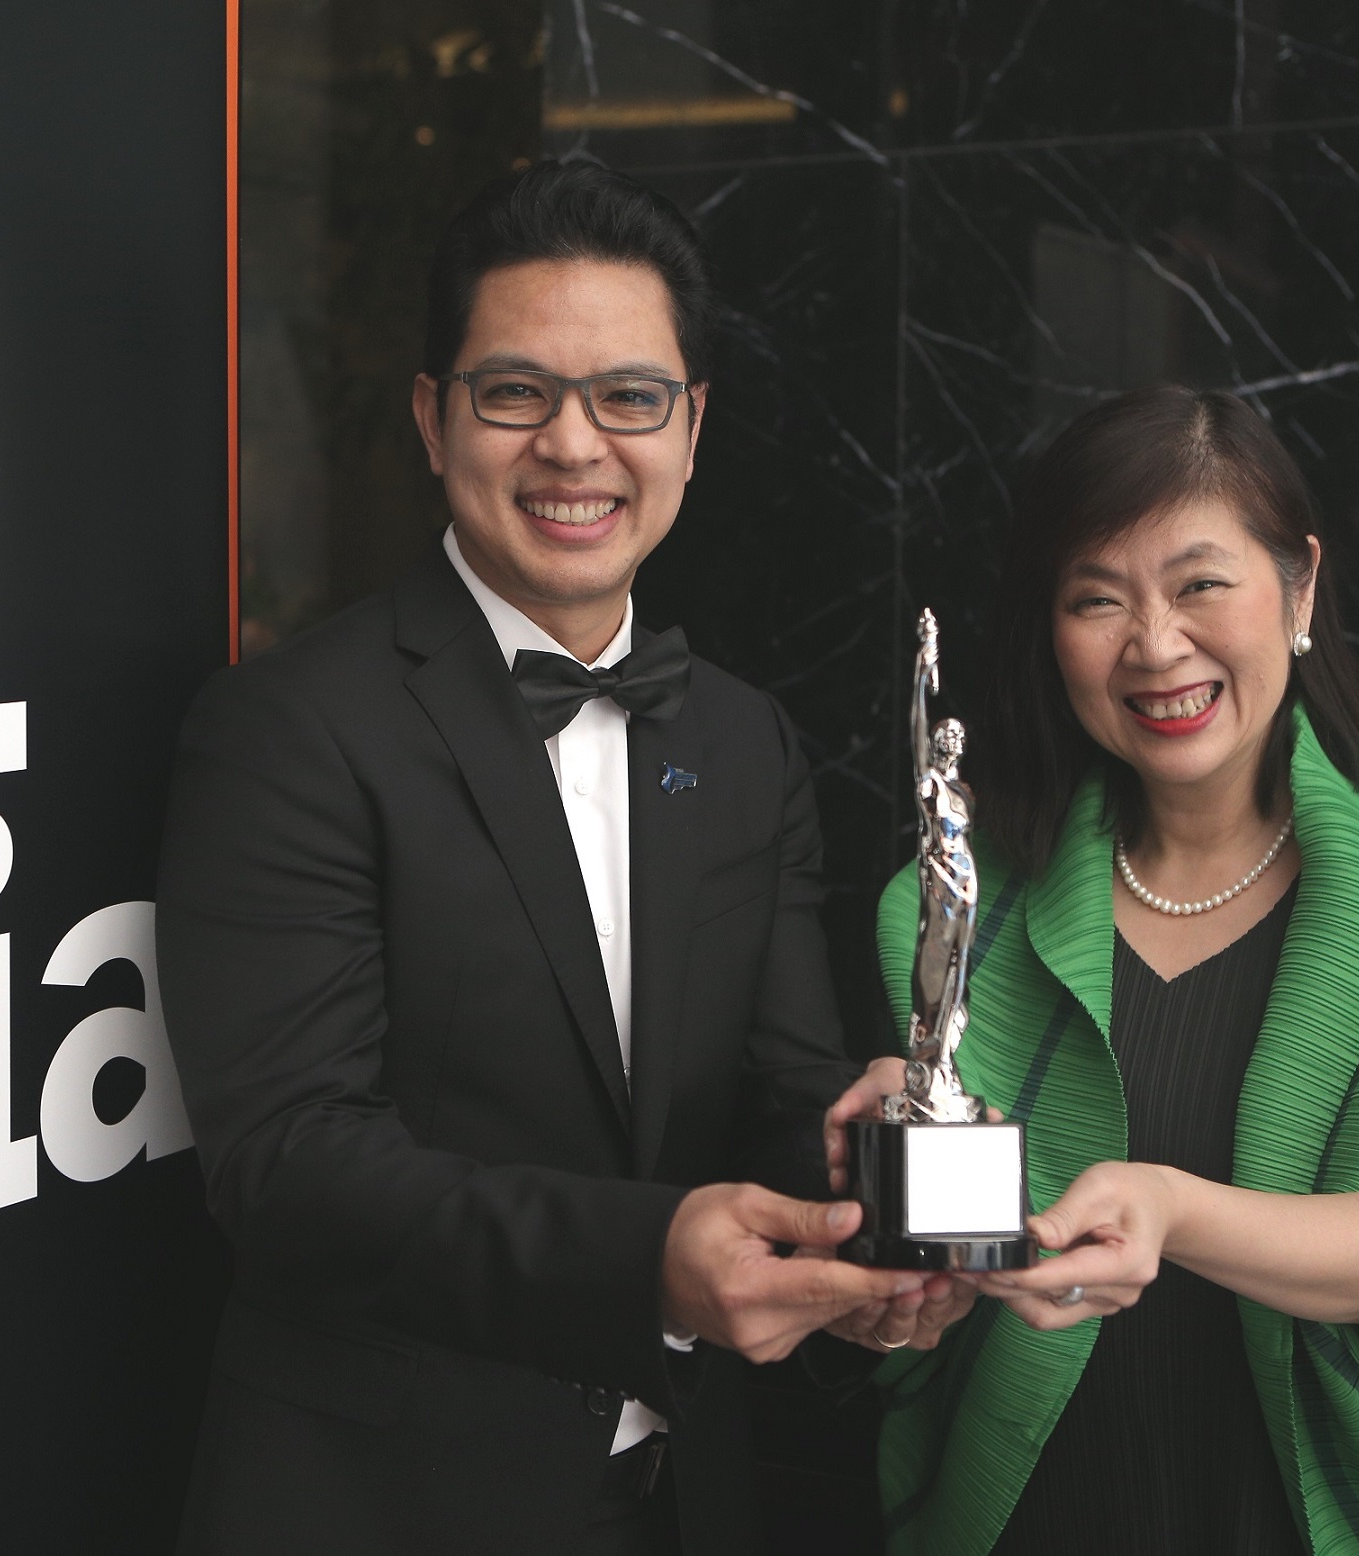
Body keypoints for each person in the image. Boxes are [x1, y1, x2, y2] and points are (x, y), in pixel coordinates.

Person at [159, 161, 946, 1556]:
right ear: (430, 416)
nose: (575, 448)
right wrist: (650, 1262)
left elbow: (773, 1088)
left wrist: (860, 1182)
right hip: (380, 1511)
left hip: (688, 1502)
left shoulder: (746, 741)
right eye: (515, 391)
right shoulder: (287, 729)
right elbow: (287, 1163)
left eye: (629, 397)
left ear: (692, 427)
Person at [825, 386, 1359, 1555]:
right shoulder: (948, 911)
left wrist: (1169, 1205)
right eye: (1096, 598)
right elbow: (937, 1297)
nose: (1154, 643)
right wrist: (892, 1261)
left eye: (1199, 583)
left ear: (1298, 588)